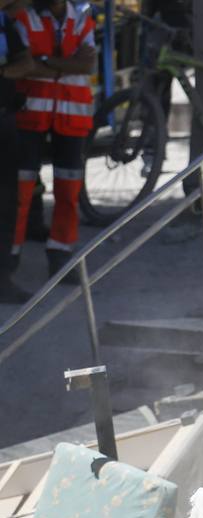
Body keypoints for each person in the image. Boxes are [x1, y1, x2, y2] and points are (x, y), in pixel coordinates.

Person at [11, 0, 95, 280]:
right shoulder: (25, 17)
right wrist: (64, 66)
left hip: (71, 118)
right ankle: (8, 262)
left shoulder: (82, 18)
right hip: (30, 115)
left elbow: (86, 64)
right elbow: (24, 65)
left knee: (68, 190)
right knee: (18, 192)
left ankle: (61, 257)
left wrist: (46, 63)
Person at [0, 0, 33, 303]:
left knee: (7, 204)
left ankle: (3, 280)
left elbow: (26, 63)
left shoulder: (3, 24)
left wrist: (5, 71)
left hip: (4, 121)